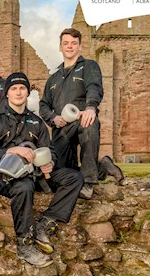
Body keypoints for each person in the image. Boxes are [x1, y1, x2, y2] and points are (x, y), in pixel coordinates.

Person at [0, 72, 84, 268]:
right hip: (2, 173)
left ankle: (45, 224)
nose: (18, 92)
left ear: (28, 92)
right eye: (14, 89)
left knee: (73, 178)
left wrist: (50, 163)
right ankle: (25, 244)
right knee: (24, 187)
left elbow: (50, 151)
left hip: (33, 171)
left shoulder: (36, 122)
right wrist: (13, 150)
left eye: (22, 88)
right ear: (7, 94)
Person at [39, 28, 124, 200]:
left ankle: (89, 182)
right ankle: (103, 166)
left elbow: (94, 87)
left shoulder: (89, 66)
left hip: (81, 119)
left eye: (73, 43)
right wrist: (53, 118)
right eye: (66, 43)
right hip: (61, 129)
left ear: (79, 46)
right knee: (62, 173)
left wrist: (91, 108)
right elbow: (43, 105)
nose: (69, 46)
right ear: (60, 47)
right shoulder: (53, 78)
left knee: (89, 124)